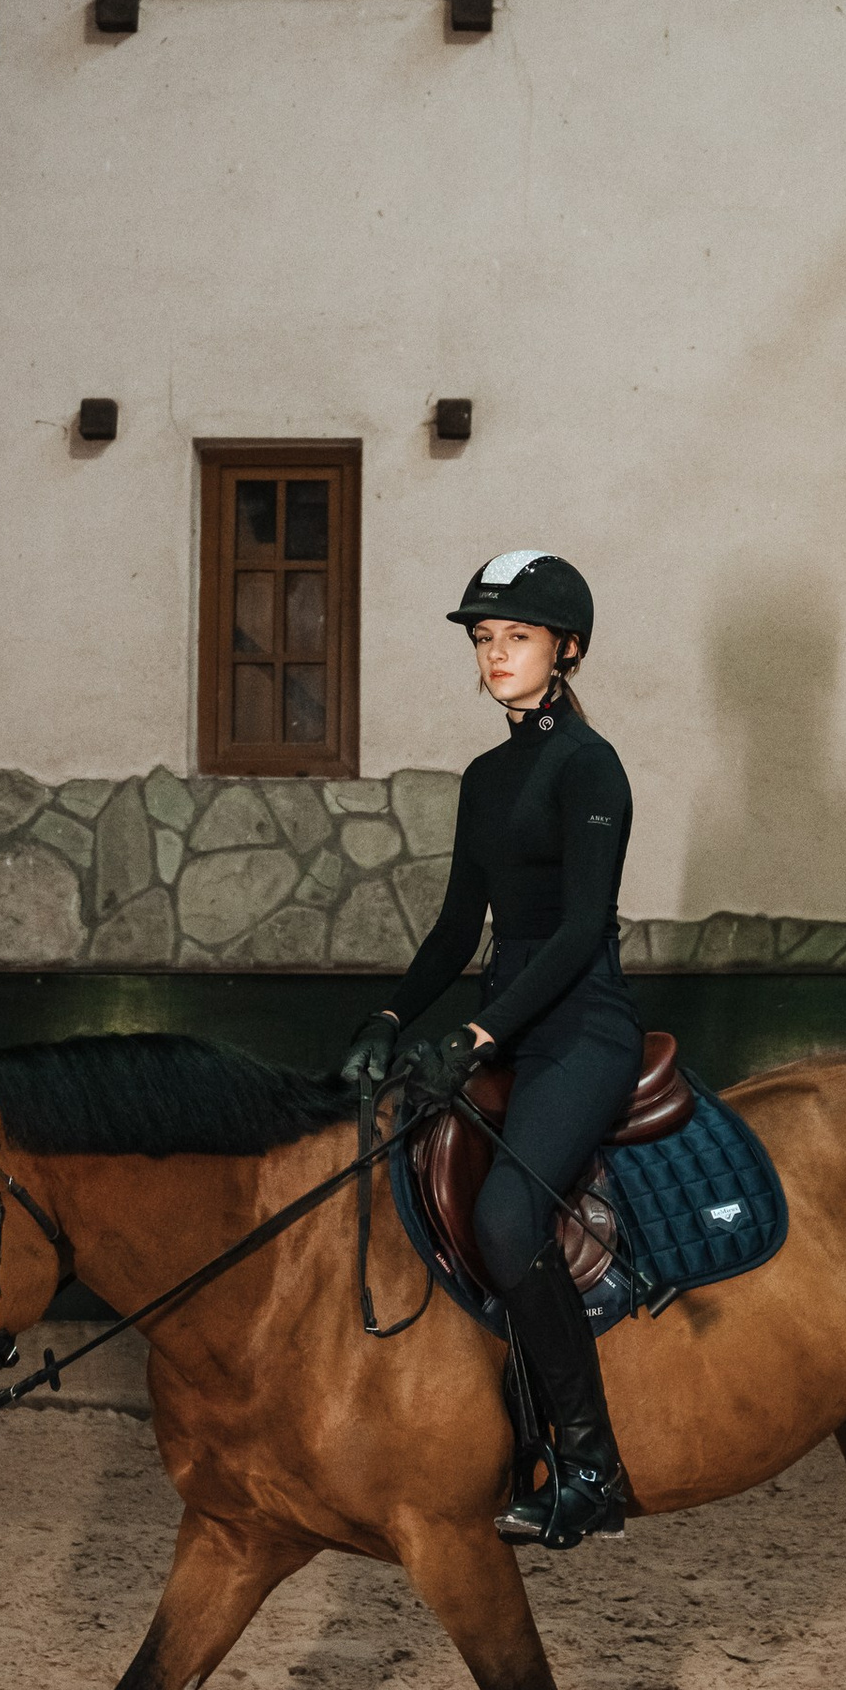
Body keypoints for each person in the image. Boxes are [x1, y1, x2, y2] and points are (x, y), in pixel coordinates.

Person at [340, 552, 639, 1548]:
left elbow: (579, 927)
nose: (496, 655)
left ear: (568, 649)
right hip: (505, 1024)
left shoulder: (588, 766)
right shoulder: (485, 778)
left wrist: (476, 1034)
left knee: (509, 1220)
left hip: (579, 1027)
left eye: (515, 637)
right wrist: (388, 1019)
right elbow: (454, 927)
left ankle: (591, 1468)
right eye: (483, 639)